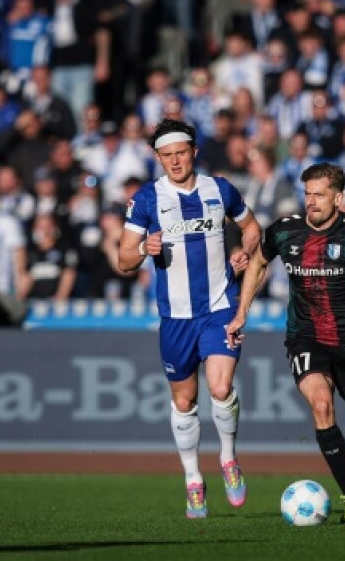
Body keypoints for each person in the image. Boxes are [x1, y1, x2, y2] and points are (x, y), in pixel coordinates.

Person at [227, 163, 345, 525]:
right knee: (321, 403)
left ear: (338, 198)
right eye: (307, 194)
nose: (310, 202)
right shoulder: (285, 230)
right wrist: (241, 312)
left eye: (319, 195)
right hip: (306, 337)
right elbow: (259, 262)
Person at [116, 119, 261, 519]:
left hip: (219, 307)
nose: (175, 161)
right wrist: (144, 247)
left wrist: (244, 253)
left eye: (181, 152)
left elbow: (251, 228)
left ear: (193, 151)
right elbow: (123, 257)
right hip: (176, 317)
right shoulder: (147, 199)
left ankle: (229, 459)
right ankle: (193, 480)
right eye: (167, 155)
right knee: (185, 400)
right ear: (158, 158)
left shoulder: (220, 189)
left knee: (220, 386)